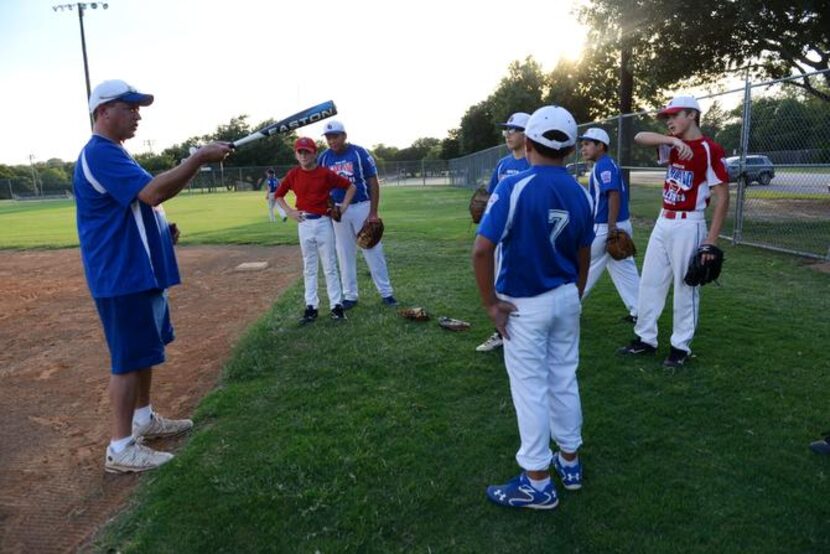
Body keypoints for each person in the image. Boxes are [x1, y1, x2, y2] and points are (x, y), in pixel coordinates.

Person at [73, 79, 232, 473]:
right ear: (103, 112)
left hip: (137, 271)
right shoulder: (100, 153)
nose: (137, 114)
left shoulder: (117, 154)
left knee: (143, 351)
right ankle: (120, 446)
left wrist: (162, 230)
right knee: (127, 360)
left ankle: (143, 419)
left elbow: (141, 206)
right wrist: (197, 158)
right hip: (121, 274)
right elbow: (152, 193)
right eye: (129, 107)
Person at [473, 106, 594, 510]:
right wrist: (575, 293)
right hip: (565, 296)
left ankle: (537, 481)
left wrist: (490, 304)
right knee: (563, 378)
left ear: (528, 142)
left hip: (525, 302)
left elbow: (481, 250)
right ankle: (570, 461)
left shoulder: (514, 185)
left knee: (531, 389)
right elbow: (583, 253)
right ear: (572, 147)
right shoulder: (580, 190)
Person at [618, 95, 729, 368]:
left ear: (692, 115)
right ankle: (645, 339)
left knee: (685, 287)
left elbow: (723, 197)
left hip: (689, 222)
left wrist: (710, 241)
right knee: (650, 283)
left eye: (675, 115)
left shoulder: (709, 149)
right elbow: (640, 137)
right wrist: (673, 140)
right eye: (667, 117)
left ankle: (680, 347)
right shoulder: (672, 146)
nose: (669, 121)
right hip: (663, 220)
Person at [275, 137, 356, 324]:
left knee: (329, 266)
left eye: (307, 151)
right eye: (300, 152)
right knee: (309, 267)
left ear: (314, 153)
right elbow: (278, 195)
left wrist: (343, 206)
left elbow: (350, 186)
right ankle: (311, 307)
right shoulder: (294, 174)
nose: (303, 155)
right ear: (296, 154)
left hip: (323, 223)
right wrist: (289, 211)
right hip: (303, 222)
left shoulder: (325, 173)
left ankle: (336, 306)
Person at [318, 120, 397, 309]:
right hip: (339, 210)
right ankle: (350, 296)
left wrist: (373, 212)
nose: (332, 141)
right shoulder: (323, 158)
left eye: (335, 136)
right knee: (344, 253)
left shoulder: (359, 153)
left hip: (361, 206)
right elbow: (322, 187)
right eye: (328, 137)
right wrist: (331, 208)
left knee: (372, 249)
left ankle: (386, 293)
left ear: (344, 135)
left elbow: (373, 182)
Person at [476, 112, 531, 353]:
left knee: (527, 282)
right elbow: (490, 197)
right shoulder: (503, 164)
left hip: (528, 233)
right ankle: (503, 331)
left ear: (527, 133)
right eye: (506, 129)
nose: (508, 134)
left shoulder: (532, 162)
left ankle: (528, 329)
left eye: (514, 129)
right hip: (501, 234)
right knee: (501, 283)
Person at [578, 128, 640, 322]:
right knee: (625, 272)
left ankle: (567, 308)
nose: (583, 148)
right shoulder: (606, 164)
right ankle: (640, 311)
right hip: (619, 224)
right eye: (583, 144)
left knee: (583, 267)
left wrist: (612, 226)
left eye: (588, 144)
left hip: (606, 227)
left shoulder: (603, 165)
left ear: (601, 146)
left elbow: (613, 194)